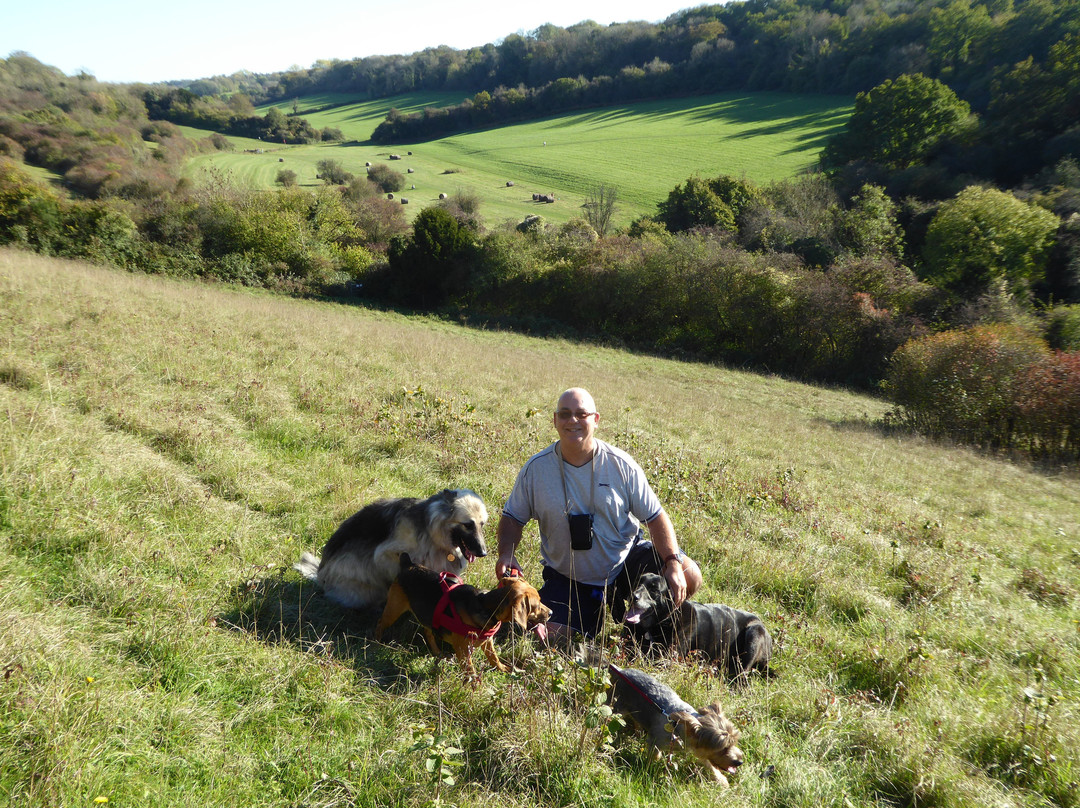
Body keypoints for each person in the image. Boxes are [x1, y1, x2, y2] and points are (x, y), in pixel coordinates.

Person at [495, 387, 702, 640]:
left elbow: (656, 517)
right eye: (565, 414)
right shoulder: (536, 469)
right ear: (554, 420)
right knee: (550, 636)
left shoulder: (621, 465)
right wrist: (507, 554)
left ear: (596, 419)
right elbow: (512, 519)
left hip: (624, 561)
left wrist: (672, 562)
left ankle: (639, 633)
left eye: (582, 414)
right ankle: (587, 614)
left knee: (688, 574)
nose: (573, 421)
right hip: (570, 575)